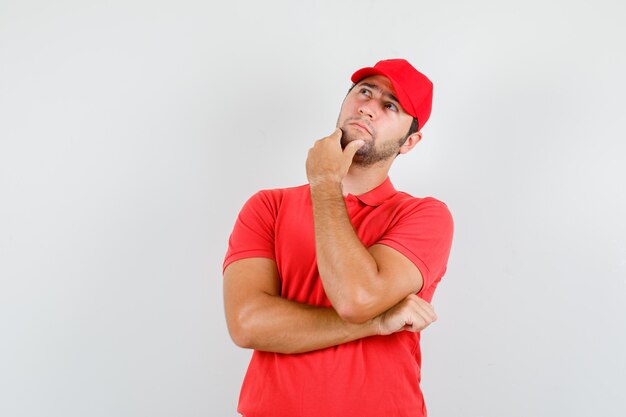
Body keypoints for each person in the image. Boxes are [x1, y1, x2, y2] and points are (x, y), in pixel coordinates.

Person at [223, 58, 454, 417]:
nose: (368, 107)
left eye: (389, 105)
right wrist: (377, 323)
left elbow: (356, 298)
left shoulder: (424, 216)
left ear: (410, 142)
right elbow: (247, 323)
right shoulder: (268, 206)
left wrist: (325, 183)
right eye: (364, 92)